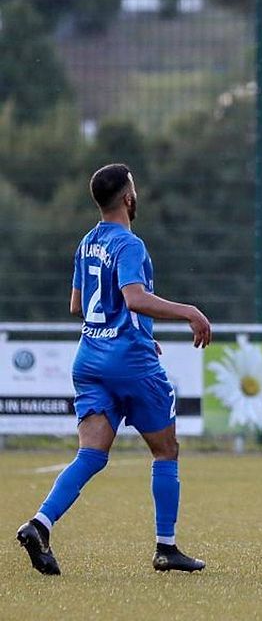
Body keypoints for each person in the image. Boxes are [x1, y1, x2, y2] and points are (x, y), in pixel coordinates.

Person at [16, 164, 213, 576]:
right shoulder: (129, 245)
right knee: (165, 450)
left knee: (91, 454)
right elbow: (135, 297)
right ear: (128, 198)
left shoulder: (87, 243)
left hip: (89, 360)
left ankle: (40, 524)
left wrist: (134, 329)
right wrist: (189, 312)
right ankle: (166, 546)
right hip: (129, 363)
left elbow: (78, 305)